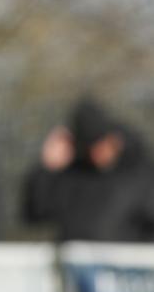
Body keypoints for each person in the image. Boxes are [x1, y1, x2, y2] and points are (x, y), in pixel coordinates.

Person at [22, 96, 154, 241]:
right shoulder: (73, 174)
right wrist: (47, 169)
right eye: (92, 147)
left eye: (101, 144)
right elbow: (35, 213)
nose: (99, 153)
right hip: (74, 262)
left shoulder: (139, 171)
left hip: (131, 262)